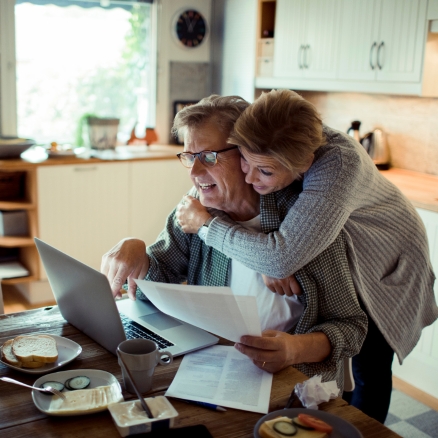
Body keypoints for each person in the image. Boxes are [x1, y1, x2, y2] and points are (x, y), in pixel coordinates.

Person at [176, 89, 438, 423]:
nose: (249, 177)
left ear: (303, 165)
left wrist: (272, 255)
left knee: (370, 363)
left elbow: (279, 258)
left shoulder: (338, 165)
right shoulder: (265, 137)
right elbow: (209, 173)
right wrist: (270, 254)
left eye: (265, 173)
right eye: (244, 160)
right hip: (336, 241)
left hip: (386, 257)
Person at [101, 94, 367, 391]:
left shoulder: (305, 225)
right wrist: (136, 249)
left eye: (209, 157)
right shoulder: (194, 210)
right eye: (189, 156)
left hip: (290, 383)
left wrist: (294, 349)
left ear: (245, 152)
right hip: (213, 369)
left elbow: (350, 326)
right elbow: (155, 287)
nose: (194, 172)